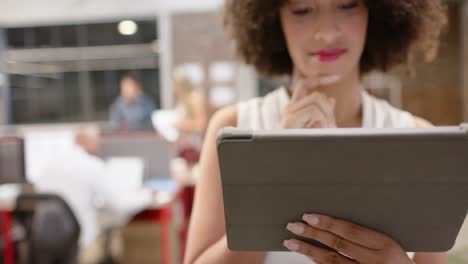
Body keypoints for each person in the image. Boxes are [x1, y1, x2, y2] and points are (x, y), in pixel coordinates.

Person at [185, 0, 448, 264]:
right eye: (303, 10)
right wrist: (277, 168)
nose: (327, 33)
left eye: (347, 6)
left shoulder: (417, 139)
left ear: (377, 12)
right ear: (274, 19)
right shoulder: (236, 128)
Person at [36, 126, 153, 263]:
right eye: (97, 141)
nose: (98, 145)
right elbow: (119, 204)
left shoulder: (48, 165)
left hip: (47, 240)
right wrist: (149, 196)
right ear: (89, 142)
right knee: (114, 228)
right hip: (81, 241)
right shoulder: (91, 165)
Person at [173, 69, 208, 134]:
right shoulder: (181, 99)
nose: (174, 88)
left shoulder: (194, 99)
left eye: (175, 85)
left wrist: (184, 125)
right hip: (183, 139)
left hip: (193, 140)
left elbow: (201, 124)